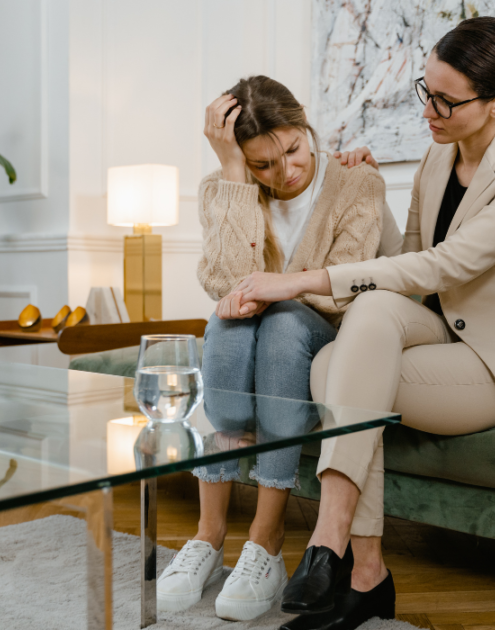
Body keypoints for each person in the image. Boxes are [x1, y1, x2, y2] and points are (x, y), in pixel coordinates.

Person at [229, 17, 495, 630]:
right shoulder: (436, 157)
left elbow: (451, 263)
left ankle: (334, 544)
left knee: (342, 371)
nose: (430, 109)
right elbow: (407, 262)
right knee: (334, 356)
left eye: (446, 100)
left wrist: (300, 280)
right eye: (427, 91)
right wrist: (371, 190)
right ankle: (363, 571)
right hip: (443, 330)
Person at [156, 75, 402, 621]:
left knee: (285, 323)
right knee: (224, 326)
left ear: (305, 126)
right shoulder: (225, 185)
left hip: (329, 337)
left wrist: (269, 292)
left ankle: (266, 542)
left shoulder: (356, 181)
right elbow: (225, 282)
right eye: (263, 163)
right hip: (253, 335)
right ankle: (208, 536)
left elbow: (340, 293)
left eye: (293, 149)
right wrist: (233, 175)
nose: (286, 171)